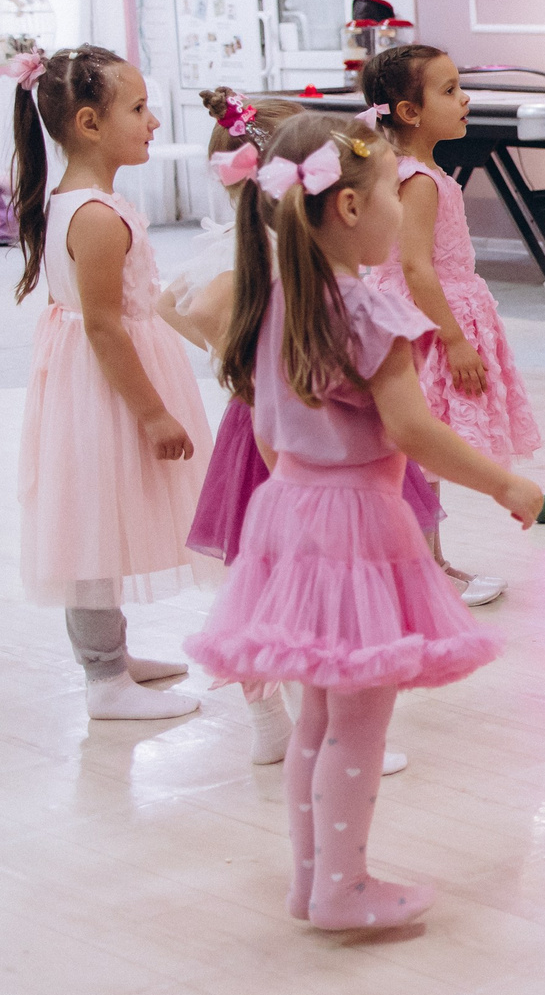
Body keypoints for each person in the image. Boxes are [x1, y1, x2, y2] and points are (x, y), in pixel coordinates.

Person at [186, 115, 543, 931]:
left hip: (288, 510)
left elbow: (270, 432)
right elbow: (415, 433)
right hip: (352, 518)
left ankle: (314, 880)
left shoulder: (273, 298)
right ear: (348, 206)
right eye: (390, 187)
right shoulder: (372, 314)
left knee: (318, 713)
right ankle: (343, 888)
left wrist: (304, 498)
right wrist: (506, 485)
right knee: (360, 720)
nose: (399, 202)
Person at [164, 89, 426, 772]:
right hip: (294, 442)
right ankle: (319, 719)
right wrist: (238, 361)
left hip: (287, 435)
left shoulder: (268, 255)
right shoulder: (283, 261)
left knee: (285, 581)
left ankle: (312, 719)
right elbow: (184, 304)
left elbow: (174, 303)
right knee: (299, 585)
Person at [8, 45, 215, 721]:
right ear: (91, 122)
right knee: (90, 522)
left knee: (100, 511)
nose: (153, 120)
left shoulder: (81, 201)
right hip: (105, 384)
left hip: (93, 379)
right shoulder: (96, 216)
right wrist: (153, 412)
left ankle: (113, 658)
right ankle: (103, 679)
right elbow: (103, 326)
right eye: (139, 107)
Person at [361, 44, 545, 608]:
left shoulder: (423, 172)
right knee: (423, 452)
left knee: (427, 458)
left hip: (437, 311)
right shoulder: (418, 179)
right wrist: (454, 339)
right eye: (449, 90)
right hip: (427, 322)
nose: (464, 98)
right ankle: (422, 569)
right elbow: (415, 266)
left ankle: (432, 562)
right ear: (410, 112)